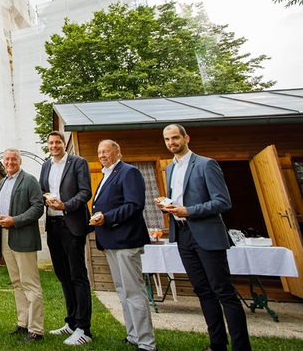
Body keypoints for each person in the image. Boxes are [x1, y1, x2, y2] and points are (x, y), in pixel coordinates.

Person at [159, 124, 250, 351]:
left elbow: (222, 202)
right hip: (182, 235)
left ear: (186, 138)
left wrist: (189, 210)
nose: (172, 143)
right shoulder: (170, 169)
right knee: (202, 291)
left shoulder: (206, 164)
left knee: (224, 292)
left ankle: (241, 347)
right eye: (168, 139)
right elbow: (178, 202)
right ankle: (217, 344)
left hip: (207, 234)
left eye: (175, 138)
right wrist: (166, 206)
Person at [90, 140, 155, 351]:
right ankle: (133, 335)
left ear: (118, 152)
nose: (102, 155)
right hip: (110, 242)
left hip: (126, 240)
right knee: (121, 290)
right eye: (99, 152)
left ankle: (147, 342)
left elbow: (135, 204)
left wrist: (106, 218)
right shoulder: (106, 175)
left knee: (134, 292)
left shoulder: (128, 172)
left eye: (106, 151)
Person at [39, 131, 93, 346]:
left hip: (72, 224)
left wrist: (65, 205)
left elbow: (85, 192)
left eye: (57, 142)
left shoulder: (78, 163)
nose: (54, 146)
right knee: (63, 275)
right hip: (53, 225)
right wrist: (46, 198)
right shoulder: (46, 165)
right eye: (50, 143)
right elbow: (43, 189)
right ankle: (70, 322)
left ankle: (84, 328)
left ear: (64, 144)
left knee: (77, 275)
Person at [0, 148, 45, 343]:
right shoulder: (3, 182)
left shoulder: (30, 180)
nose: (10, 162)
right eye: (7, 159)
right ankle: (23, 323)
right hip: (6, 236)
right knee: (17, 283)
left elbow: (38, 207)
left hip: (23, 236)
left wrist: (15, 220)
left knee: (30, 284)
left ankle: (36, 330)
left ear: (20, 161)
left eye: (13, 159)